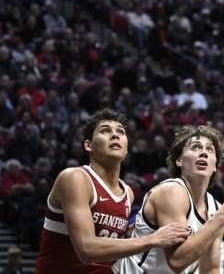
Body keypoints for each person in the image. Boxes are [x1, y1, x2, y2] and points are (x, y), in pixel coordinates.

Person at [35, 109, 190, 274]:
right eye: (105, 131)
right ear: (89, 145)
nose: (115, 135)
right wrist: (153, 239)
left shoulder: (127, 193)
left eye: (120, 132)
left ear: (126, 148)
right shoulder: (75, 178)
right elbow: (87, 249)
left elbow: (112, 246)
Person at [114, 124, 224, 274]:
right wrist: (223, 216)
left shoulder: (216, 208)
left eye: (210, 149)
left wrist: (221, 215)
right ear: (179, 160)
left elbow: (210, 269)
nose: (203, 153)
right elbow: (177, 261)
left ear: (215, 165)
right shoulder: (171, 191)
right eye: (195, 147)